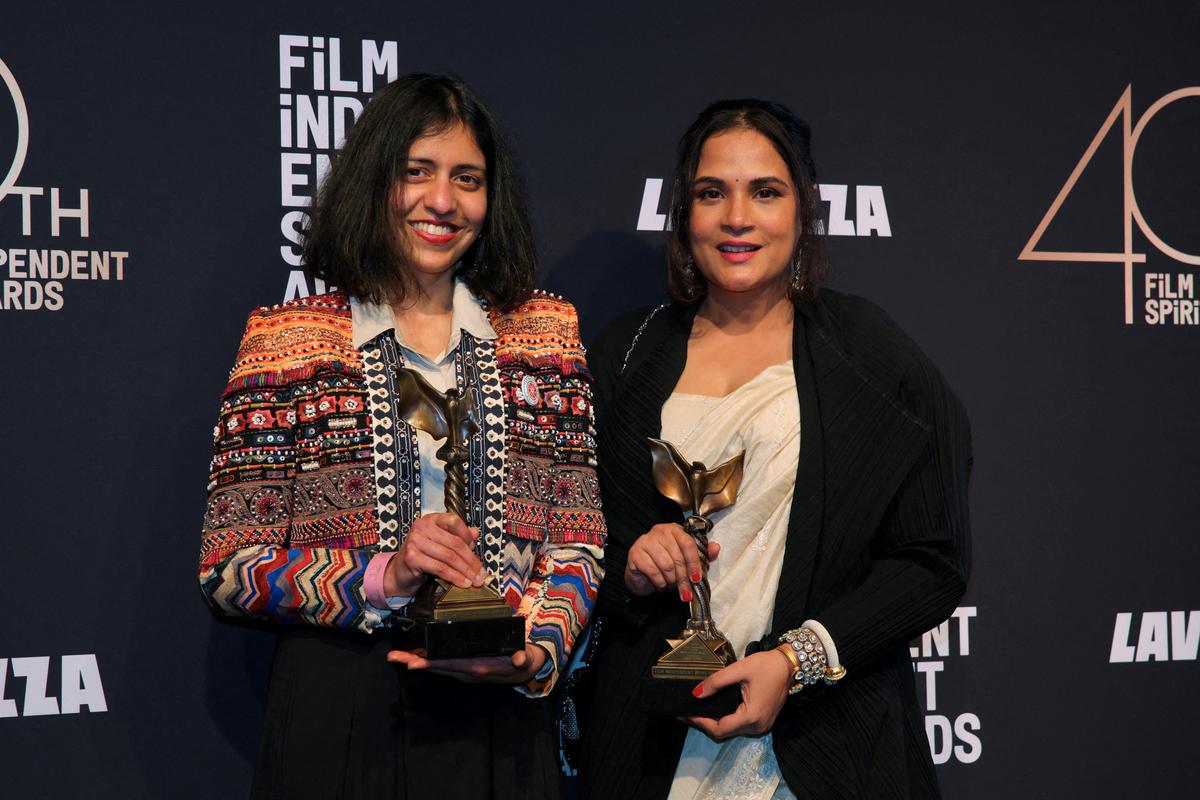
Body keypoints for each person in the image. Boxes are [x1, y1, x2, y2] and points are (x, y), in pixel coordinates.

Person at [198, 74, 605, 800]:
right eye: (415, 171)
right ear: (372, 181)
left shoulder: (546, 334)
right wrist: (382, 576)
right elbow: (228, 566)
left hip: (501, 717)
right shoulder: (286, 341)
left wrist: (535, 652)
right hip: (341, 713)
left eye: (466, 178)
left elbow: (577, 537)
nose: (442, 201)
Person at [577, 99, 971, 799]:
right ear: (684, 214)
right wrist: (630, 569)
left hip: (824, 748)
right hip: (651, 752)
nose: (737, 217)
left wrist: (796, 660)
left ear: (801, 210)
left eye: (765, 191)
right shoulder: (625, 355)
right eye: (711, 193)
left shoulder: (867, 354)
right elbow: (568, 543)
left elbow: (932, 560)